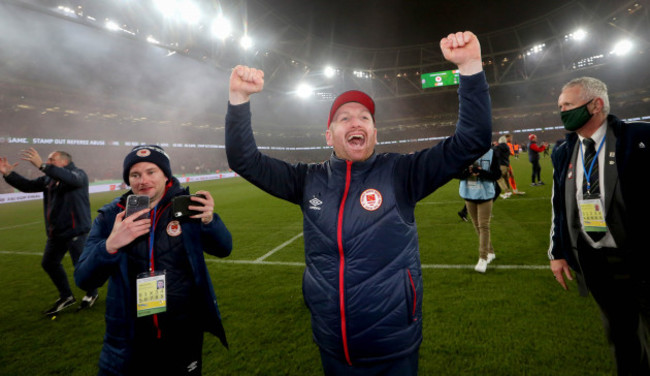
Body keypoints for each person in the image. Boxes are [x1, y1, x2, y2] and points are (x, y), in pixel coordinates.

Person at [226, 31, 491, 375]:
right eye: (345, 117)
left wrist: (469, 67)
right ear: (329, 135)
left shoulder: (401, 173)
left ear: (375, 133)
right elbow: (244, 160)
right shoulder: (307, 179)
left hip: (393, 347)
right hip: (332, 345)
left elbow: (472, 140)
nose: (356, 122)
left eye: (365, 117)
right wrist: (238, 98)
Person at [74, 145, 233, 375]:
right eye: (135, 175)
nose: (143, 180)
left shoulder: (187, 207)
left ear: (166, 175)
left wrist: (210, 221)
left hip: (181, 333)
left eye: (151, 172)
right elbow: (83, 278)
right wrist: (110, 245)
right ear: (128, 179)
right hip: (127, 338)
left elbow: (224, 248)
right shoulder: (111, 217)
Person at [549, 76, 650, 375]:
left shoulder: (640, 137)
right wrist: (557, 252)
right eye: (560, 106)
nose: (562, 111)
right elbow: (558, 206)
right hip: (596, 260)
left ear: (597, 104)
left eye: (568, 104)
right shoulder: (563, 151)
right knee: (622, 338)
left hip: (642, 257)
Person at [0, 148, 98, 315]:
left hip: (75, 231)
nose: (48, 162)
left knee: (81, 267)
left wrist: (43, 166)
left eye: (52, 159)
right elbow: (28, 186)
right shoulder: (49, 178)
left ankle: (92, 292)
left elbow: (72, 180)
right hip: (56, 233)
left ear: (64, 162)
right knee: (49, 263)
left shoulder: (78, 174)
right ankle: (66, 296)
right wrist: (9, 174)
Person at [457, 148, 500, 272]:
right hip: (469, 194)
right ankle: (490, 252)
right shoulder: (463, 152)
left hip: (485, 194)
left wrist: (481, 172)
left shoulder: (491, 153)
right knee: (477, 225)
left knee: (483, 226)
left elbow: (496, 175)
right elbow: (456, 173)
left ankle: (483, 257)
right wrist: (467, 171)